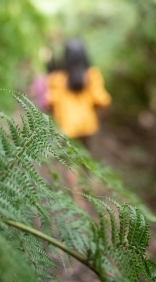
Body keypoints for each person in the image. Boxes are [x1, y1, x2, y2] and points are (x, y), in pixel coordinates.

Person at [46, 38, 111, 208]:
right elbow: (102, 99)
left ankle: (78, 201)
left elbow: (50, 101)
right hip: (88, 126)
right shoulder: (92, 75)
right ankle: (87, 193)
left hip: (67, 128)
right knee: (86, 162)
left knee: (71, 164)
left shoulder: (57, 78)